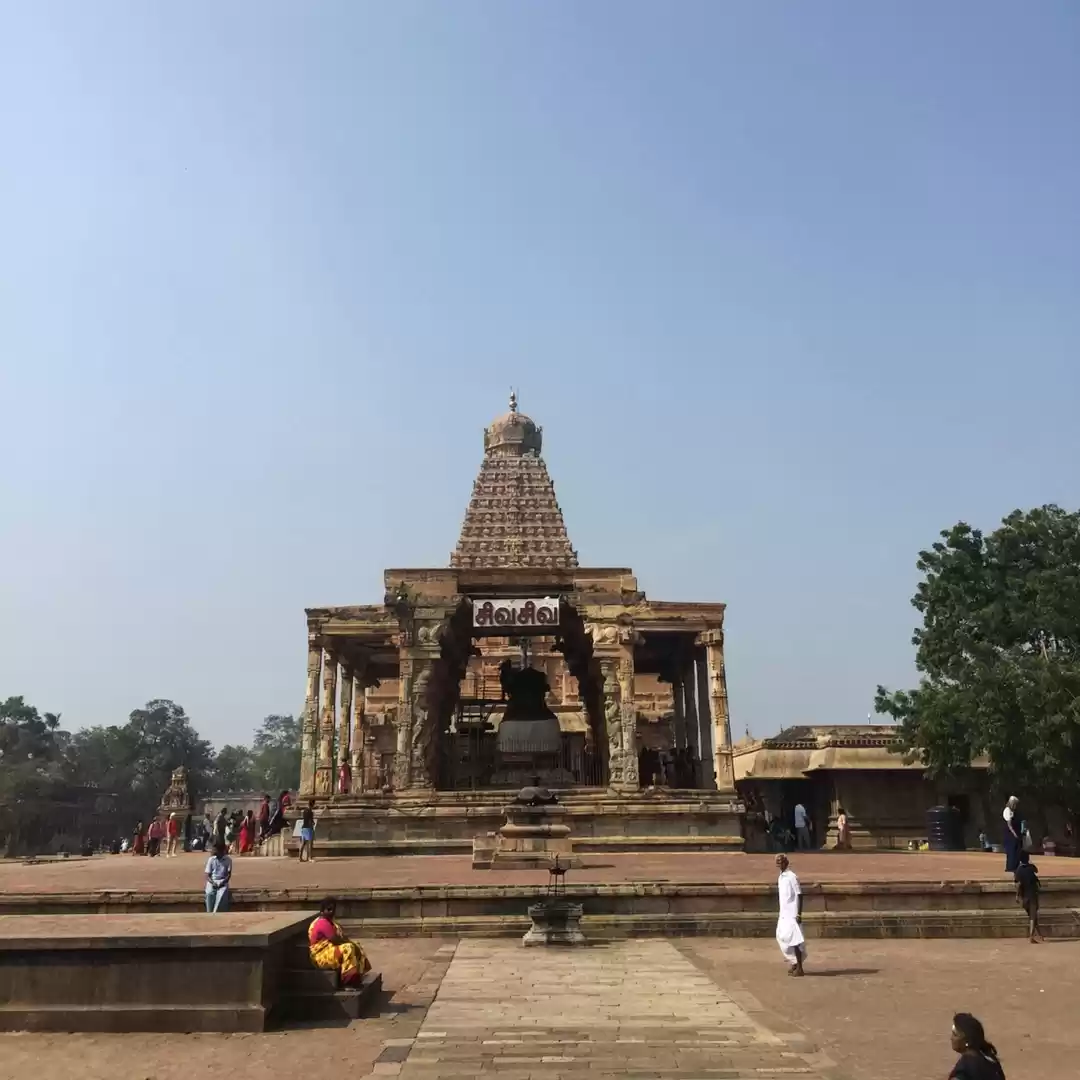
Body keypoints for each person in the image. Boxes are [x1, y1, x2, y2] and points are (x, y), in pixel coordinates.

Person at [307, 898, 370, 987]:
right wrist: (350, 943)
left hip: (329, 951)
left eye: (333, 909)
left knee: (356, 945)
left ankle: (357, 978)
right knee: (348, 948)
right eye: (328, 909)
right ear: (322, 911)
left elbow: (341, 937)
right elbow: (335, 939)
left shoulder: (330, 922)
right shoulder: (322, 923)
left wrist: (352, 944)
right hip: (320, 956)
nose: (331, 912)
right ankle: (348, 982)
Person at [774, 853, 806, 976]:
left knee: (795, 940)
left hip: (792, 913)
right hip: (784, 913)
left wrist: (799, 914)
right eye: (777, 862)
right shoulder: (781, 877)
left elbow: (799, 895)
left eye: (781, 862)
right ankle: (794, 962)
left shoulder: (792, 877)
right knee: (782, 937)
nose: (779, 864)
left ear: (786, 862)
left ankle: (800, 967)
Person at [949, 1012, 1005, 1080]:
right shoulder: (989, 1058)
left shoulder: (964, 1069)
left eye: (955, 1034)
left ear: (967, 1041)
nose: (951, 1038)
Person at [1013, 849, 1042, 943]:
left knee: (1032, 916)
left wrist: (1017, 896)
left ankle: (1040, 935)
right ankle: (1031, 936)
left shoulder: (1018, 870)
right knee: (1033, 917)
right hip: (1033, 895)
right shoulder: (1031, 867)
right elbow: (1036, 870)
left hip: (1024, 897)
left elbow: (1018, 884)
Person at [204, 840, 233, 913]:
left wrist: (222, 882)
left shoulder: (228, 860)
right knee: (209, 893)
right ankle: (209, 912)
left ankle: (216, 913)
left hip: (223, 881)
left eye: (214, 849)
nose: (212, 850)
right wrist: (212, 882)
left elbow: (228, 875)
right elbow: (207, 875)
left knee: (222, 895)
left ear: (220, 850)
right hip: (212, 881)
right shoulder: (211, 859)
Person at [1003, 796, 1021, 873]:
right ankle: (1010, 867)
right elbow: (1009, 824)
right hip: (1010, 834)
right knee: (1011, 850)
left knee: (1016, 850)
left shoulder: (1014, 811)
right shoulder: (1007, 810)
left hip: (1016, 833)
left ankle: (1015, 866)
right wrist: (1014, 834)